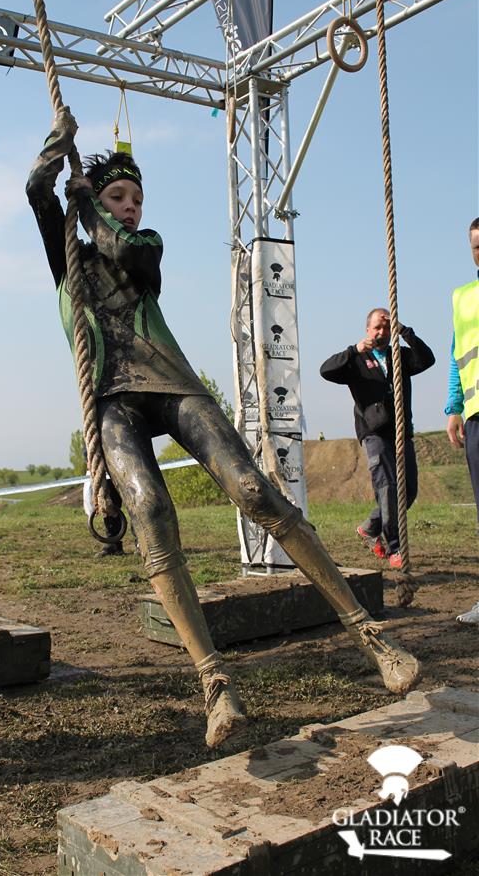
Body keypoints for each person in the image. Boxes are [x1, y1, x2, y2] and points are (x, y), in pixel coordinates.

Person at [26, 108, 420, 748]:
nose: (131, 208)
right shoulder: (67, 252)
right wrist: (58, 145)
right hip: (111, 401)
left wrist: (93, 209)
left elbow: (126, 249)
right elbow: (36, 191)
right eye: (118, 197)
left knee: (254, 490)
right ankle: (214, 682)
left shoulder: (144, 246)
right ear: (97, 196)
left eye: (136, 199)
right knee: (152, 510)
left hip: (170, 383)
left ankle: (371, 638)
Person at [320, 308, 435, 568]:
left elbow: (427, 359)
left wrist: (404, 331)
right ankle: (395, 548)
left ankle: (370, 527)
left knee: (409, 491)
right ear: (368, 330)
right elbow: (326, 370)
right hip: (373, 432)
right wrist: (353, 350)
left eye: (386, 328)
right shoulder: (356, 360)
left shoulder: (400, 356)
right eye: (377, 328)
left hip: (401, 430)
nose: (381, 333)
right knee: (387, 487)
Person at [446, 218, 479, 625]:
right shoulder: (462, 298)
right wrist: (453, 407)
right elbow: (458, 356)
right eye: (477, 246)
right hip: (476, 416)